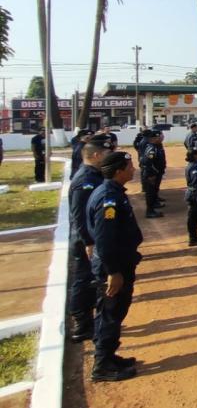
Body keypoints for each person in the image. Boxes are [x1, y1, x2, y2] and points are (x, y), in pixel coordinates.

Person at [85, 151, 143, 381]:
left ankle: (108, 356)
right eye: (129, 167)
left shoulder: (113, 192)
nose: (133, 169)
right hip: (113, 265)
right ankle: (102, 365)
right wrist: (113, 272)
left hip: (118, 261)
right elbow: (105, 238)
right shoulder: (108, 198)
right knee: (110, 313)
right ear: (119, 171)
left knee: (114, 312)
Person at [67, 134, 114, 344]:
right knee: (83, 279)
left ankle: (88, 318)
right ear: (96, 155)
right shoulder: (85, 180)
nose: (109, 155)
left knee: (91, 279)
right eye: (107, 153)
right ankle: (81, 323)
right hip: (85, 240)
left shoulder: (94, 175)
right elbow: (79, 215)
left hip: (93, 237)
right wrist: (88, 241)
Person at [139, 130, 166, 219]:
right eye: (158, 137)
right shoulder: (152, 149)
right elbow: (147, 163)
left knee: (153, 191)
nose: (160, 139)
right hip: (151, 175)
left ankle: (153, 206)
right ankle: (150, 211)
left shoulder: (155, 147)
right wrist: (151, 174)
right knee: (150, 193)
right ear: (153, 138)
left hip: (156, 173)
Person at [184, 143, 197, 247]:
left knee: (194, 217)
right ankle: (193, 238)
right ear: (195, 155)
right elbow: (196, 182)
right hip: (194, 195)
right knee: (193, 218)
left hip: (194, 194)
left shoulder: (194, 165)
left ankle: (194, 237)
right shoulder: (194, 167)